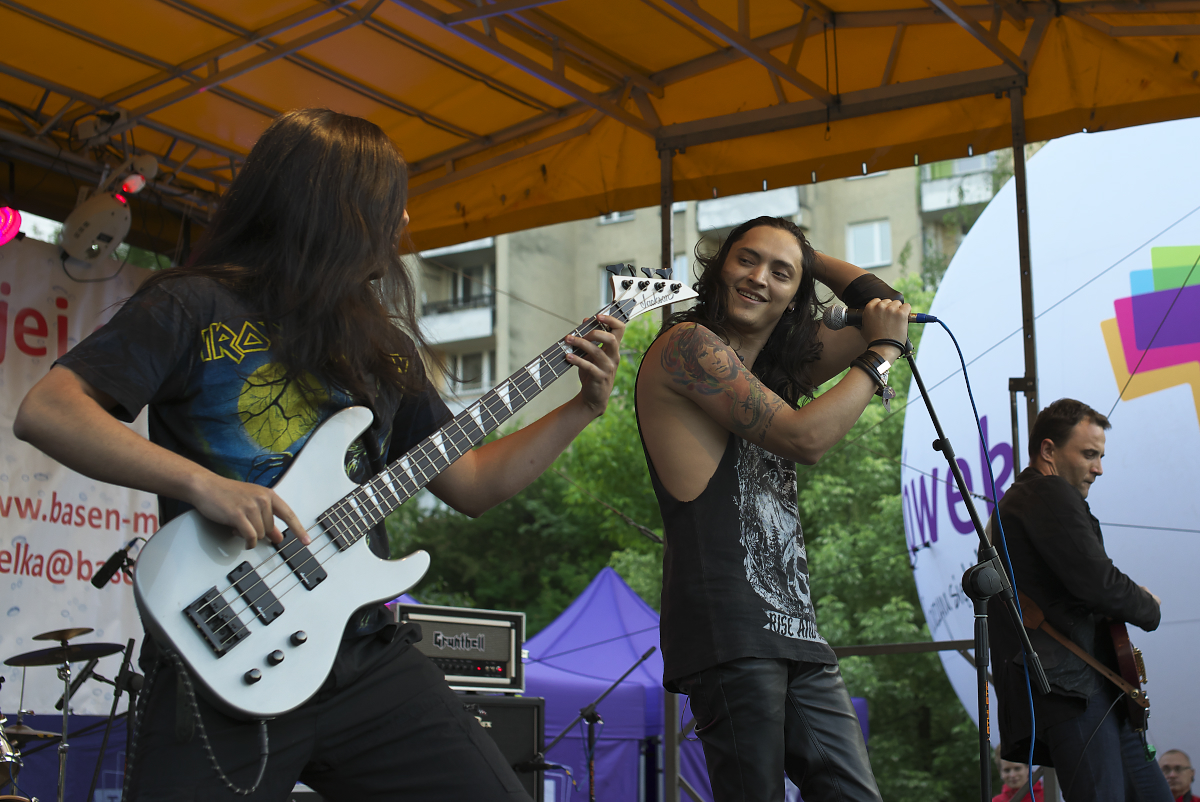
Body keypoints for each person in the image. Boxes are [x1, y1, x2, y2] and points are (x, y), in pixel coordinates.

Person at [12, 109, 624, 801]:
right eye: (387, 206)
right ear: (334, 210)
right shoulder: (191, 306)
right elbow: (49, 411)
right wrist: (204, 486)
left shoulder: (383, 346)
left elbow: (473, 482)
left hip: (360, 655)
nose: (402, 225)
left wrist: (581, 408)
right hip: (217, 659)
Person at [634, 215, 912, 801]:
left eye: (779, 272)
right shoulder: (688, 347)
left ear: (796, 296)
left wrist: (807, 259)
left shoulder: (772, 373)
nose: (759, 277)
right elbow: (804, 439)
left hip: (795, 629)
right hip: (729, 628)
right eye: (746, 259)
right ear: (718, 269)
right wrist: (882, 355)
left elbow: (887, 307)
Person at [987, 398, 1170, 802]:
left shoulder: (1023, 502)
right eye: (1089, 454)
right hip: (1073, 691)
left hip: (1089, 687)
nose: (1099, 467)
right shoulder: (1045, 492)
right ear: (1049, 450)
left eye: (1100, 456)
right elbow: (1098, 583)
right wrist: (1147, 605)